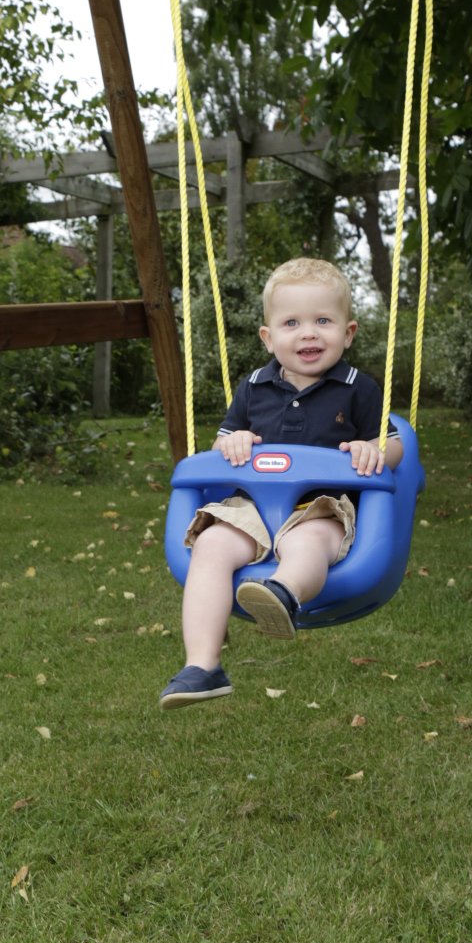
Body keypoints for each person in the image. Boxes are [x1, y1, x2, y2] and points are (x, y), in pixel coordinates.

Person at [159, 257, 404, 709]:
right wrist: (235, 445)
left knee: (308, 540)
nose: (308, 333)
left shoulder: (358, 388)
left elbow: (392, 445)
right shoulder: (253, 386)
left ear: (347, 334)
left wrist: (373, 450)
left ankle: (282, 594)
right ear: (269, 338)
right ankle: (202, 666)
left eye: (323, 321)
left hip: (322, 506)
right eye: (292, 323)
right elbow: (224, 441)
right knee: (211, 547)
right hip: (250, 505)